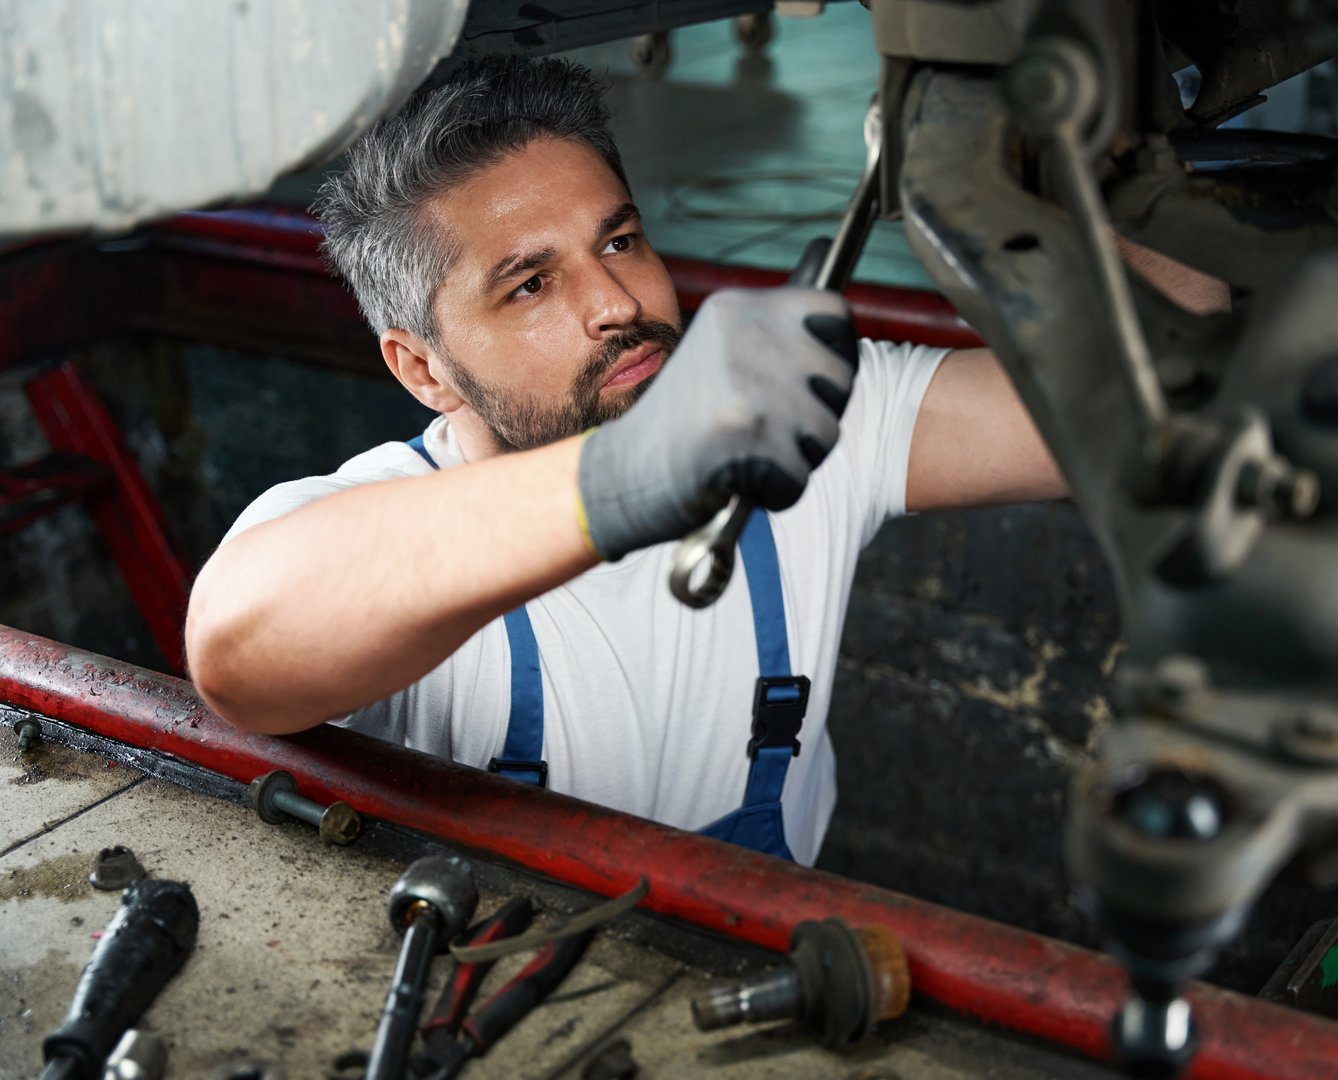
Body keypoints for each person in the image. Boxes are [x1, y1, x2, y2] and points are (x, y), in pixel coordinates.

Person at [185, 56, 1069, 865]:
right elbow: (236, 652)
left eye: (619, 242)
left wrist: (1107, 160)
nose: (615, 302)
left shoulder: (789, 408)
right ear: (423, 369)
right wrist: (629, 471)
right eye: (529, 284)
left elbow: (1118, 418)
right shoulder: (379, 518)